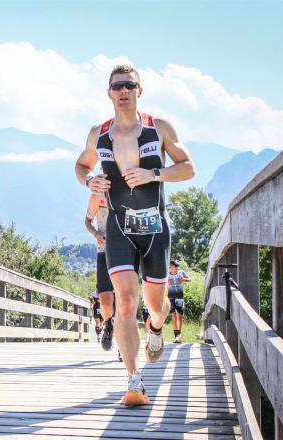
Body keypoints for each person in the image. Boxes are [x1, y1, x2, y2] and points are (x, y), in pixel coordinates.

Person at [75, 63, 194, 407]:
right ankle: (134, 380)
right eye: (118, 86)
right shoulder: (99, 133)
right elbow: (81, 165)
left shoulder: (159, 128)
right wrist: (89, 181)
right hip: (118, 226)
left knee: (156, 306)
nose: (123, 91)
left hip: (154, 227)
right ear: (109, 93)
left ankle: (155, 327)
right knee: (125, 301)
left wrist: (153, 173)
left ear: (139, 91)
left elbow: (188, 168)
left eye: (129, 85)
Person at [85, 193, 115, 350]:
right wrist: (96, 233)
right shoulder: (96, 196)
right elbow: (88, 221)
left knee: (124, 299)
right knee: (105, 300)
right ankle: (108, 324)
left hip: (126, 250)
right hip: (104, 250)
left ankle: (123, 347)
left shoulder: (129, 188)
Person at [168, 260, 191, 343]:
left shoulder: (181, 272)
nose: (177, 267)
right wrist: (166, 282)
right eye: (175, 266)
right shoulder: (167, 274)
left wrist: (184, 279)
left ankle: (179, 335)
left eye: (177, 266)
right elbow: (161, 282)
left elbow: (190, 279)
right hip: (170, 297)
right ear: (171, 266)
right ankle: (176, 336)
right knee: (173, 316)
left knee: (180, 316)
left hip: (180, 297)